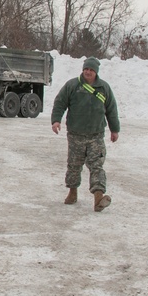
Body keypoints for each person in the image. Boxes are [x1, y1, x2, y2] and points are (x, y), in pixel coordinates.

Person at [50, 56, 120, 212]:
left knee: (97, 166)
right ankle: (72, 192)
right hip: (76, 135)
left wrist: (114, 130)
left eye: (91, 70)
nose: (88, 72)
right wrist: (56, 120)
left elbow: (111, 110)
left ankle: (98, 198)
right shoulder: (72, 85)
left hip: (96, 135)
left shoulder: (104, 88)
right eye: (86, 69)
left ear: (96, 72)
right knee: (74, 165)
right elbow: (60, 102)